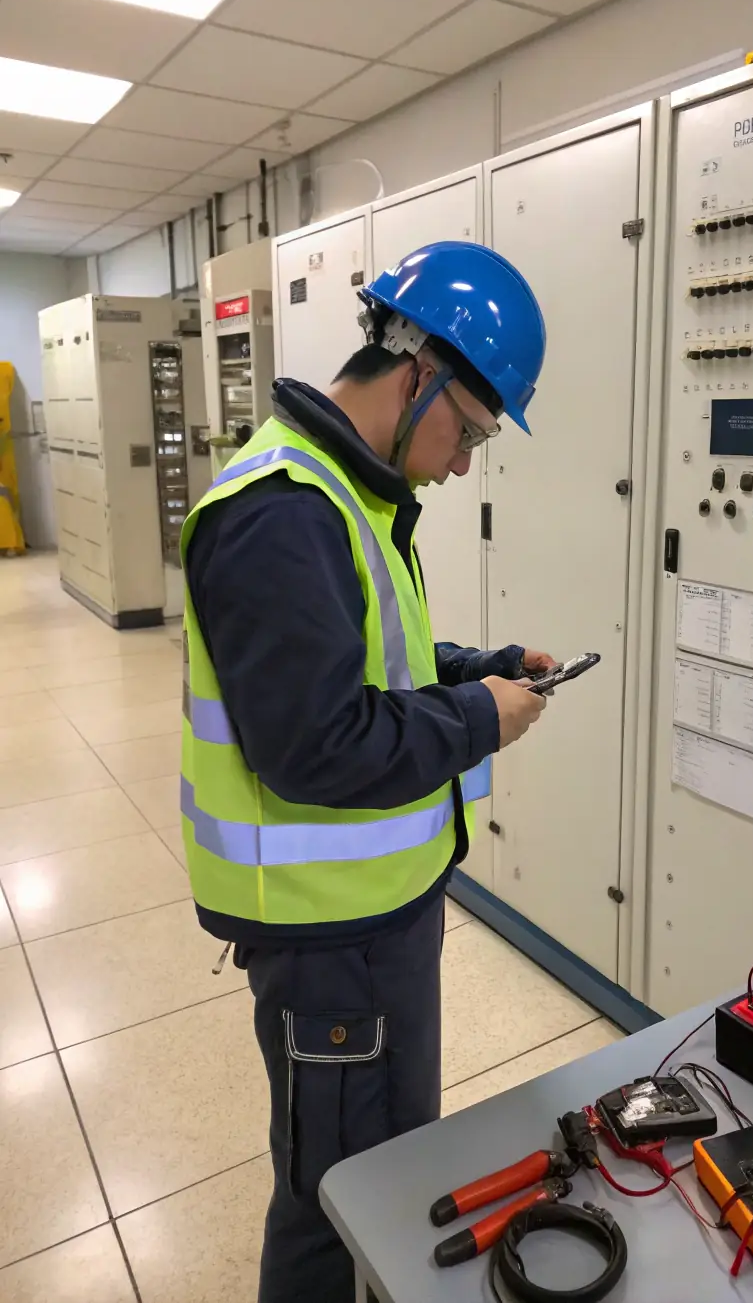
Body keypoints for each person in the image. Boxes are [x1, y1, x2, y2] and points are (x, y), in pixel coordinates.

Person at [179, 241, 552, 1303]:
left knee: (385, 1173)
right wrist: (478, 720)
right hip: (329, 942)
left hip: (375, 917)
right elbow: (317, 742)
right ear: (416, 372)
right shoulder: (283, 511)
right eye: (468, 432)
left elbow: (364, 663)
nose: (464, 464)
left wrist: (474, 669)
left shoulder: (342, 490)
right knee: (337, 1201)